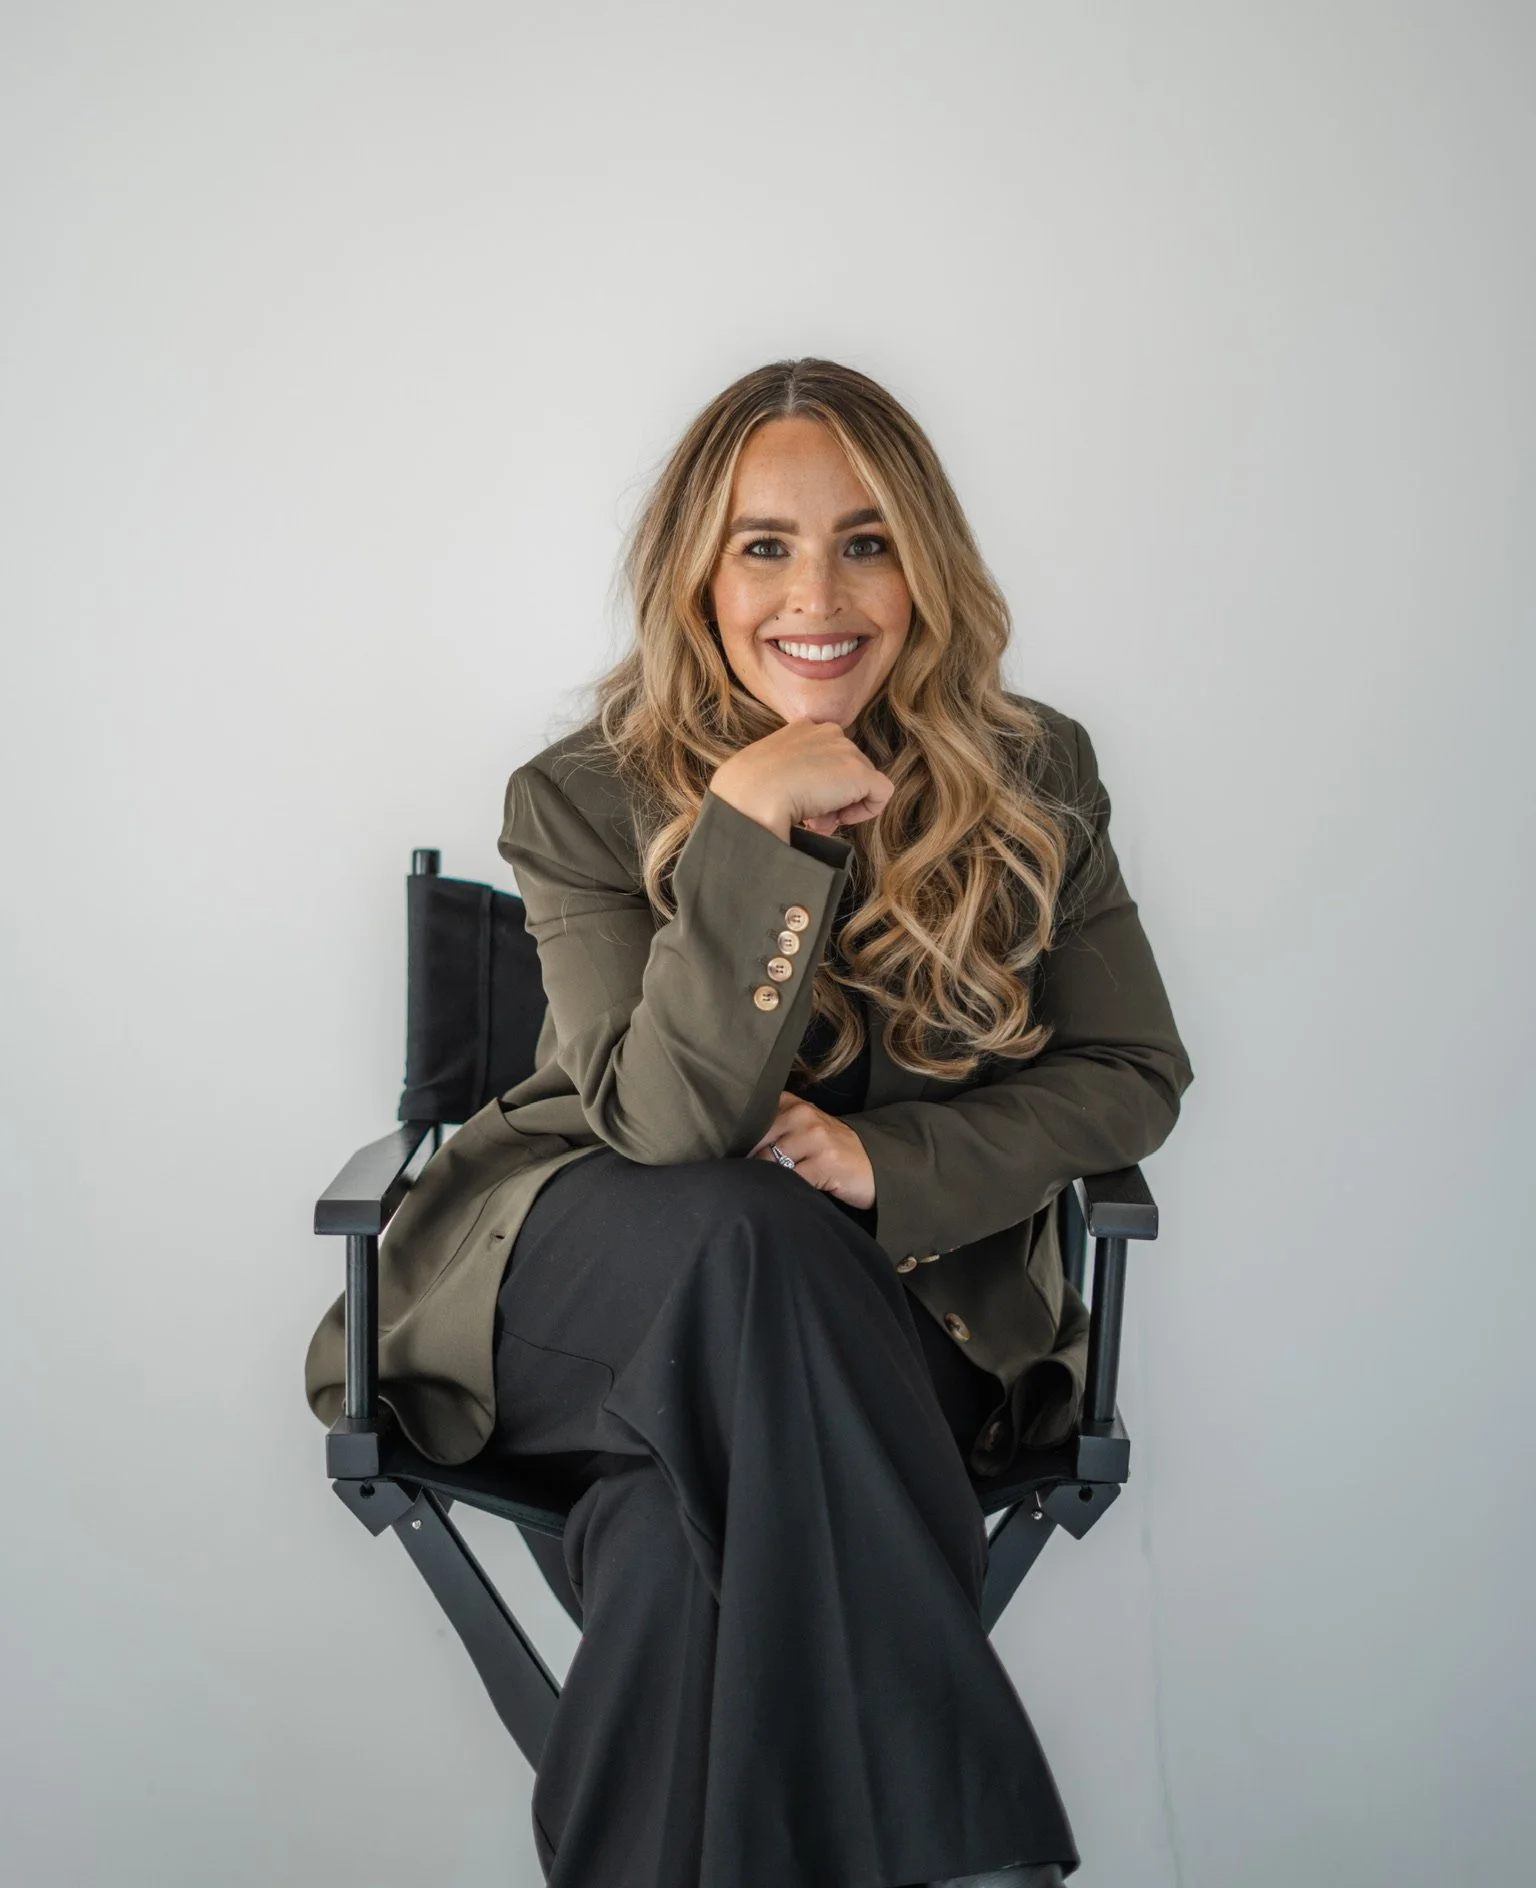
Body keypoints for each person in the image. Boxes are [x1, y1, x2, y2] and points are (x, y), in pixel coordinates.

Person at [305, 357, 1195, 1888]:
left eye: (866, 539)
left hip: (893, 1313)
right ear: (698, 574)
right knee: (737, 1218)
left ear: (926, 558)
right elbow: (666, 1128)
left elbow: (1130, 1069)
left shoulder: (1035, 774)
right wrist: (748, 825)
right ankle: (959, 1828)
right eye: (763, 545)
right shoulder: (582, 797)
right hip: (580, 1290)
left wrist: (889, 1161)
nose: (818, 592)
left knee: (670, 1551)